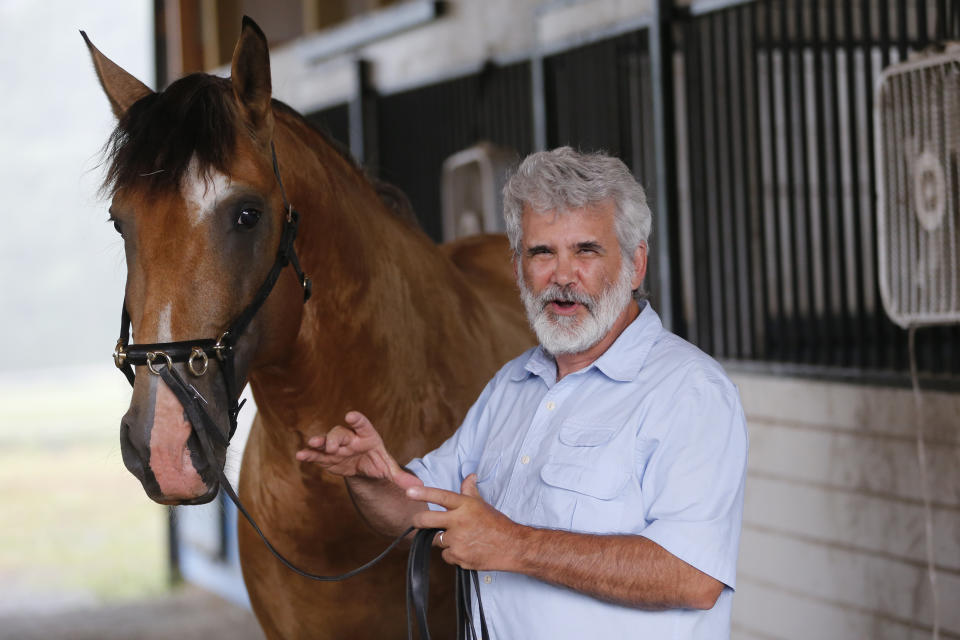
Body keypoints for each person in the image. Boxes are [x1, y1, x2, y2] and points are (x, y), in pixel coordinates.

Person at [296, 147, 748, 639]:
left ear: (635, 265)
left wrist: (512, 544)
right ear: (518, 269)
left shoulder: (690, 391)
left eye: (586, 250)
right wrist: (369, 479)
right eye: (542, 252)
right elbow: (416, 509)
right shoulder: (512, 385)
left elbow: (692, 575)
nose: (562, 276)